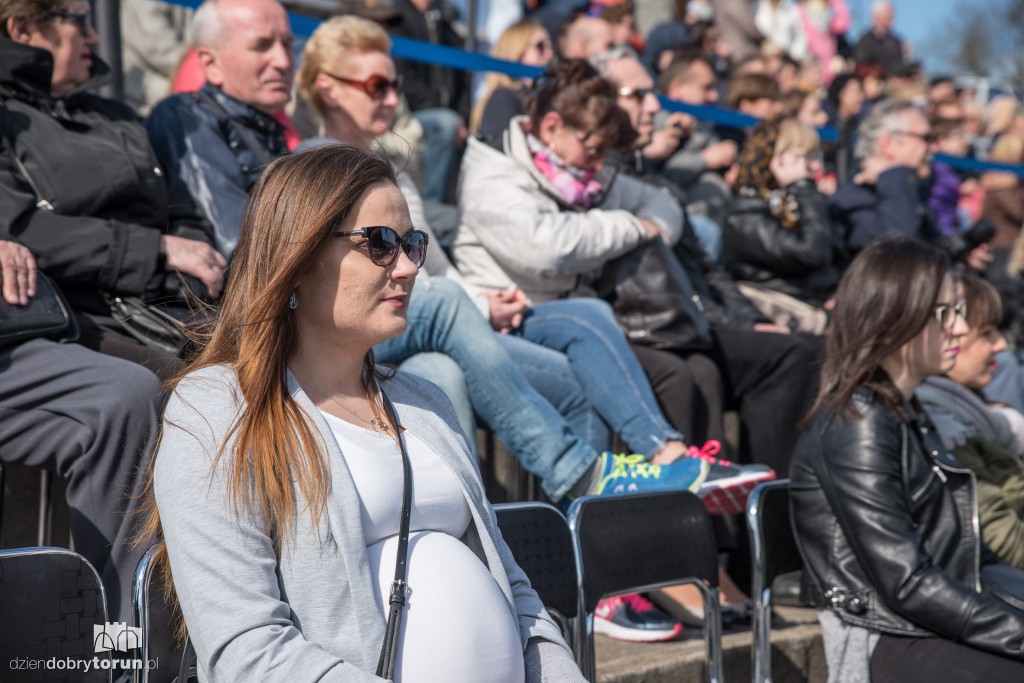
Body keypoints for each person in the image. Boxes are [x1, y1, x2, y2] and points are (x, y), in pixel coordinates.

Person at [147, 145, 588, 682]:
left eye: (412, 244)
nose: (405, 267)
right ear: (298, 258)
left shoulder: (426, 403)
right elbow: (246, 647)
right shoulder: (217, 408)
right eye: (379, 243)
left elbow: (513, 590)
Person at [790, 236, 1024, 683]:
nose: (959, 328)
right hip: (886, 633)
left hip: (938, 612)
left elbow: (968, 548)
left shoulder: (905, 407)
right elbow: (906, 584)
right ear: (895, 318)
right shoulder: (859, 420)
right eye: (945, 314)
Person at [0, 0, 225, 379]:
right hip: (82, 315)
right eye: (79, 21)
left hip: (169, 303)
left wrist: (195, 268)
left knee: (281, 357)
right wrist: (157, 249)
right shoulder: (8, 120)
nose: (95, 36)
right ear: (22, 30)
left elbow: (182, 210)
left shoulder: (115, 114)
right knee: (204, 387)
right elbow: (22, 229)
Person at [0, 240, 160, 624]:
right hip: (101, 280)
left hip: (17, 332)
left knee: (130, 395)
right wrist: (156, 249)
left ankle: (126, 651)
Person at [145, 0, 293, 261]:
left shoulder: (267, 128)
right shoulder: (186, 117)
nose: (283, 61)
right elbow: (237, 243)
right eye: (261, 46)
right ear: (211, 63)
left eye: (288, 44)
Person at [917, 272, 1024, 570]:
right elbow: (995, 535)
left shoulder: (975, 411)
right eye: (987, 333)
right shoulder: (940, 419)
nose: (1001, 345)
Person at [723, 117, 838, 332]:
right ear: (775, 160)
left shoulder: (797, 203)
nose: (816, 166)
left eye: (817, 156)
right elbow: (812, 253)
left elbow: (835, 256)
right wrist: (803, 188)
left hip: (813, 308)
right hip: (787, 316)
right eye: (807, 157)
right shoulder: (743, 215)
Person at [829, 99, 937, 257]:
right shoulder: (855, 200)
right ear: (887, 143)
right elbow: (899, 250)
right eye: (925, 138)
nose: (933, 148)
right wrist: (894, 177)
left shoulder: (907, 191)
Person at [471, 19, 553, 147]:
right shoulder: (503, 98)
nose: (549, 54)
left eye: (549, 47)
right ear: (517, 51)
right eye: (541, 46)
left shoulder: (531, 95)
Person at [853, 0, 904, 76]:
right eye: (888, 13)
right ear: (877, 15)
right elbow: (862, 66)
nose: (892, 17)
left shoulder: (896, 42)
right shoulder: (865, 41)